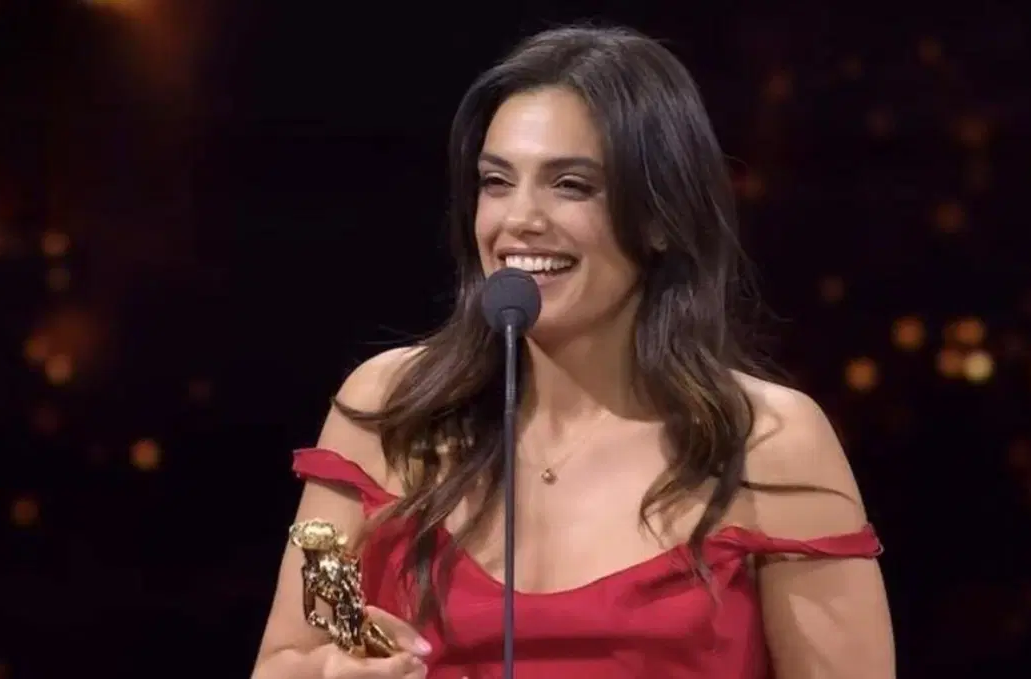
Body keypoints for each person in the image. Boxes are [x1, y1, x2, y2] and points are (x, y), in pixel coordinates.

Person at [252, 23, 895, 679]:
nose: (519, 220)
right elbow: (282, 664)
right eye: (496, 181)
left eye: (570, 185)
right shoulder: (392, 409)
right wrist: (329, 673)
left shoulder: (766, 440)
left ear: (660, 218)